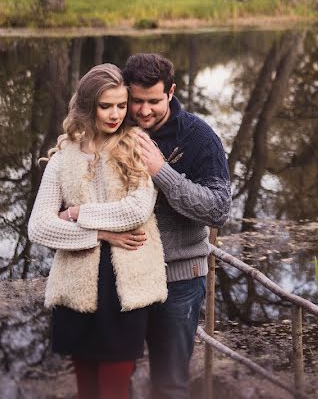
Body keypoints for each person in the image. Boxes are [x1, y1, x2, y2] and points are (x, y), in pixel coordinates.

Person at [28, 64, 168, 399]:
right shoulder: (64, 157)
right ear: (89, 106)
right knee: (86, 388)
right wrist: (101, 235)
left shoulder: (136, 145)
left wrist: (77, 213)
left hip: (125, 289)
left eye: (122, 105)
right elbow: (39, 226)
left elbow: (136, 210)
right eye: (106, 106)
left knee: (115, 387)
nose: (116, 114)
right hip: (77, 285)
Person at [121, 53, 231, 399]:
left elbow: (218, 210)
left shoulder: (199, 137)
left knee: (169, 384)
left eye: (153, 101)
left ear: (171, 92)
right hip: (122, 274)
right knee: (116, 376)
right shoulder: (112, 124)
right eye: (136, 101)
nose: (143, 110)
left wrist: (161, 172)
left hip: (179, 278)